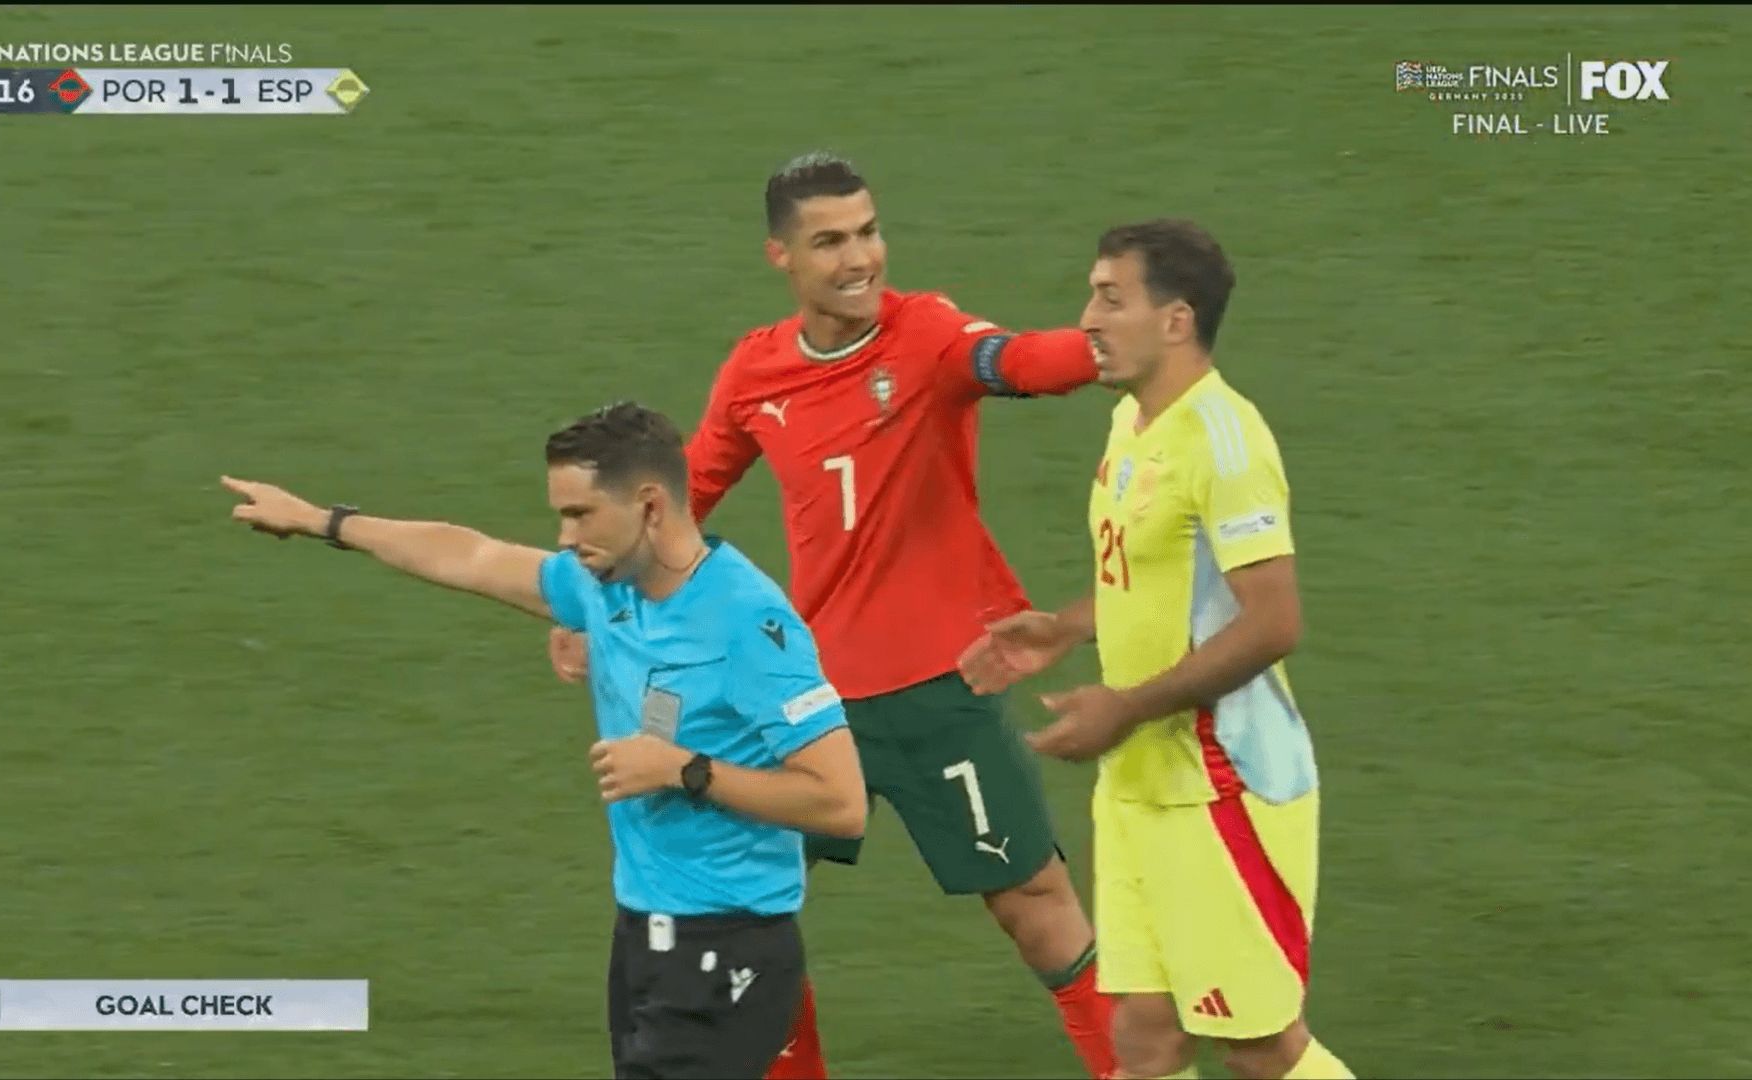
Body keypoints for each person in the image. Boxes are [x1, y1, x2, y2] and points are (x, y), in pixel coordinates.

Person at [550, 153, 1121, 1079]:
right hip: (804, 705)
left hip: (943, 690)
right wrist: (594, 586)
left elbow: (1009, 360)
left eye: (868, 232)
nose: (859, 258)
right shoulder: (757, 369)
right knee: (743, 914)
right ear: (782, 254)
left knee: (1034, 902)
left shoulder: (928, 334)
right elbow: (678, 493)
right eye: (830, 241)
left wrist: (1098, 351)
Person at [221, 401, 868, 1080]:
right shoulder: (604, 590)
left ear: (649, 505)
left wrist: (687, 770)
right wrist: (323, 521)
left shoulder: (749, 623)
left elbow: (841, 803)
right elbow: (470, 555)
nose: (565, 537)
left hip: (730, 947)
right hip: (644, 936)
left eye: (581, 514)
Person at [958, 220, 1354, 1079]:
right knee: (1142, 1034)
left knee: (1258, 1047)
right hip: (1139, 782)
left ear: (1176, 320)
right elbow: (1169, 585)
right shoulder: (1132, 425)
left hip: (1220, 787)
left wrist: (1125, 706)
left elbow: (1271, 620)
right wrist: (1067, 627)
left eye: (1111, 298)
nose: (1087, 318)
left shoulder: (1225, 440)